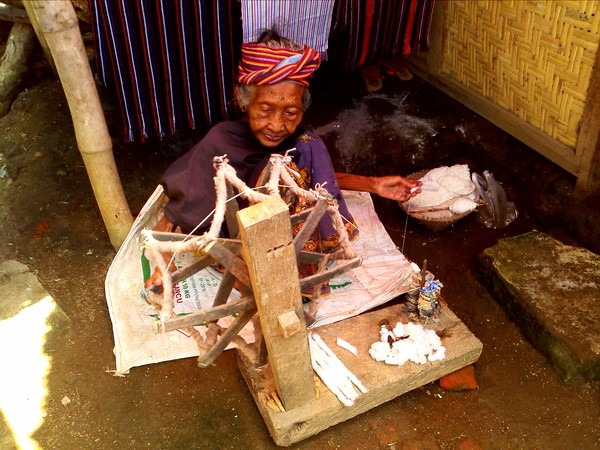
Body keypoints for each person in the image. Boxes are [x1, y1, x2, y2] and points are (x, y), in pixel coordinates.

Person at [146, 30, 421, 288]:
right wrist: (164, 264)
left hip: (289, 251)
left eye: (290, 112)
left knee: (308, 145)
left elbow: (314, 184)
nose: (276, 125)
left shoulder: (302, 141)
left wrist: (373, 184)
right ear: (243, 101)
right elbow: (186, 204)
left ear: (302, 109)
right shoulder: (223, 141)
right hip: (243, 250)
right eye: (265, 109)